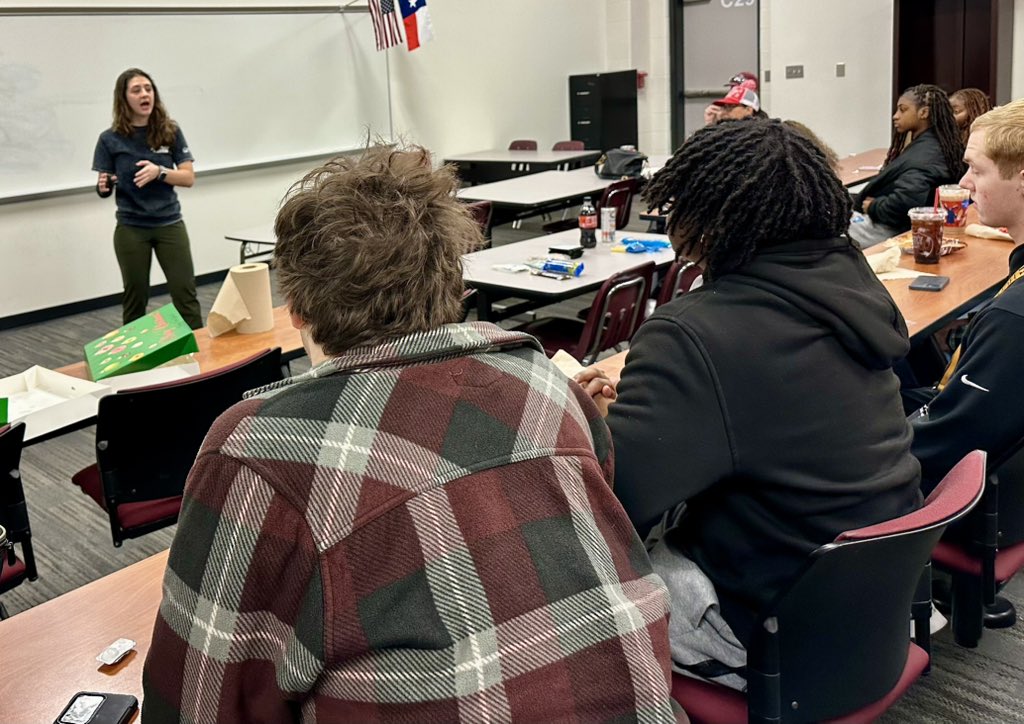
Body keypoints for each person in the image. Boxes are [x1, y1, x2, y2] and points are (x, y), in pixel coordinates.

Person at [141, 146, 682, 723]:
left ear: (294, 309)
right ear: (456, 280)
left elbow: (197, 702)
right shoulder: (553, 387)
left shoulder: (257, 454)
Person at [578, 119, 921, 689]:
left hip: (771, 623)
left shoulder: (693, 333)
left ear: (704, 221)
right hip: (870, 602)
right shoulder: (854, 284)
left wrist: (596, 423)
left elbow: (620, 503)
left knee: (559, 566)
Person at [906, 98, 1024, 492]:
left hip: (974, 504)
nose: (964, 183)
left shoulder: (1011, 318)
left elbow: (942, 445)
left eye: (976, 168)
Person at [92, 68, 202, 329]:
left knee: (186, 295)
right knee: (135, 299)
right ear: (124, 98)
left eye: (148, 88)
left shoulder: (169, 131)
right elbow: (103, 186)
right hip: (131, 228)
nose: (145, 94)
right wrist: (104, 185)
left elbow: (188, 178)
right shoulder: (109, 139)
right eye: (136, 90)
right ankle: (136, 365)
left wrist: (159, 172)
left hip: (169, 224)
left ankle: (203, 362)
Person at [849, 84, 964, 249]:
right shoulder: (937, 145)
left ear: (923, 112)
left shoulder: (925, 156)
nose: (895, 116)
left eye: (903, 110)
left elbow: (906, 203)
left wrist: (875, 206)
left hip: (891, 230)